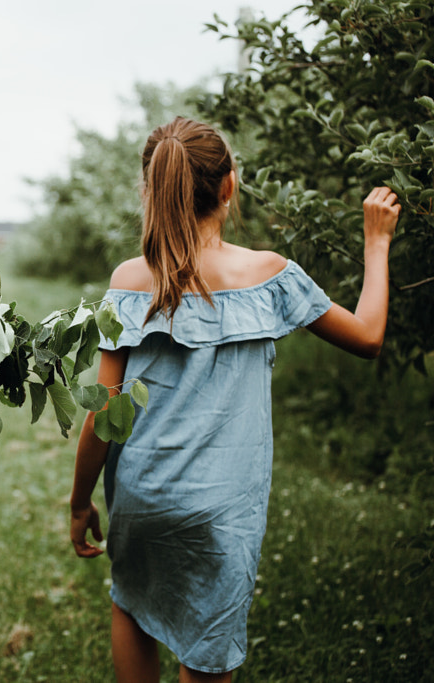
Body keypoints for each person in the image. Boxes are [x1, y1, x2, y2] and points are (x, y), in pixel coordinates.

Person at [68, 117, 400, 683]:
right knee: (207, 655)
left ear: (151, 192)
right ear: (229, 187)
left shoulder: (128, 280)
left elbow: (103, 414)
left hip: (142, 493)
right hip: (222, 512)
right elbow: (368, 336)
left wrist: (80, 501)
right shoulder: (269, 275)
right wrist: (377, 241)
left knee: (131, 604)